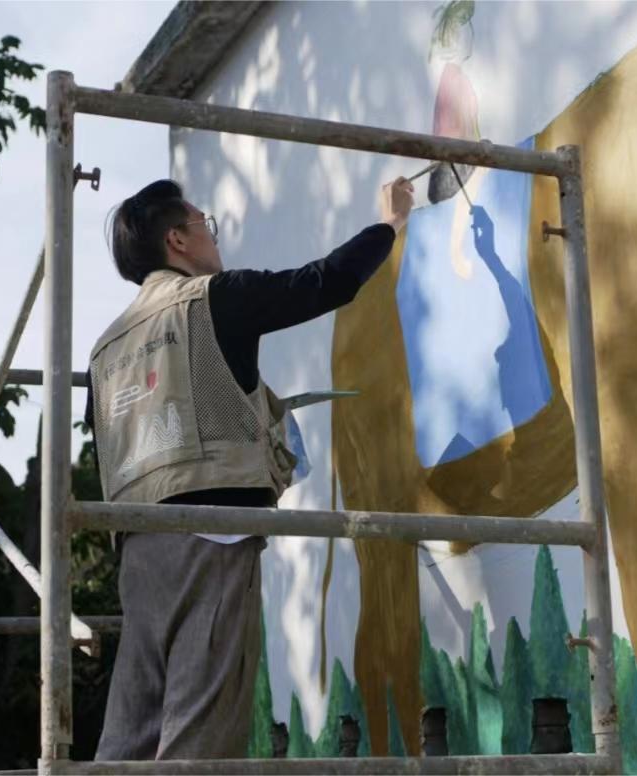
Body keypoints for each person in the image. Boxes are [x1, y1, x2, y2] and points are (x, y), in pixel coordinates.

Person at [87, 175, 415, 761]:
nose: (214, 239)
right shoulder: (211, 298)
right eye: (204, 225)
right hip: (211, 537)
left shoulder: (107, 348)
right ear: (178, 240)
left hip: (138, 547)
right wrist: (388, 226)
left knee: (134, 726)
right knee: (202, 724)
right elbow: (324, 282)